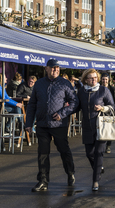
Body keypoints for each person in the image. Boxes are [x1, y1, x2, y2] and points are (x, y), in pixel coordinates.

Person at [25, 58, 78, 192]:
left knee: (64, 150)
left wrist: (62, 113)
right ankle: (43, 181)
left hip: (59, 124)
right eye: (53, 68)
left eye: (57, 68)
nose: (55, 70)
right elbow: (31, 105)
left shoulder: (65, 83)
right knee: (43, 153)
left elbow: (74, 102)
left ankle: (70, 172)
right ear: (46, 69)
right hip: (42, 123)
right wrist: (28, 123)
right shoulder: (39, 84)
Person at [76, 69, 115, 191]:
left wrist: (103, 108)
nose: (94, 80)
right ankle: (98, 168)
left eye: (95, 78)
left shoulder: (104, 90)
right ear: (85, 80)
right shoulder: (81, 92)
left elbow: (112, 106)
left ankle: (95, 181)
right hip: (87, 127)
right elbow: (77, 106)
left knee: (98, 153)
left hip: (101, 126)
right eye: (91, 78)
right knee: (89, 153)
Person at [100, 73, 115, 154]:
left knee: (109, 129)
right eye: (103, 79)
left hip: (110, 111)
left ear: (108, 80)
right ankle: (101, 145)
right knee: (101, 128)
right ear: (101, 80)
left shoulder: (112, 89)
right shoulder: (98, 88)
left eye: (106, 79)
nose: (104, 81)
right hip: (100, 111)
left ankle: (108, 146)